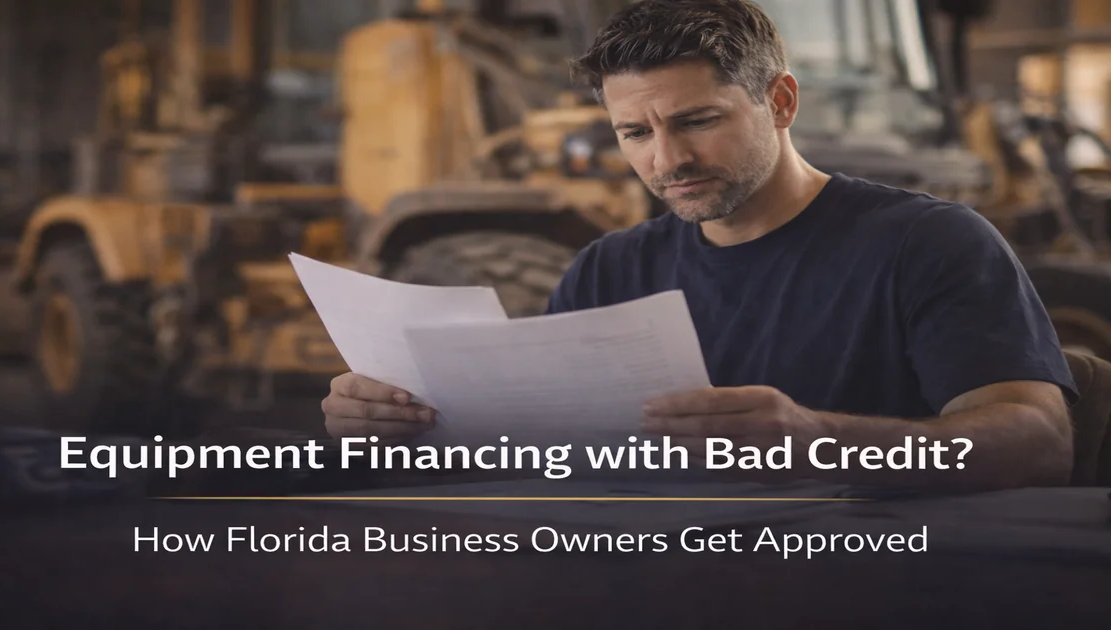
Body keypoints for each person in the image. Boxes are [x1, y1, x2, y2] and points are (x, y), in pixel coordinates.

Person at [321, 0, 1078, 490]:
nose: (666, 160)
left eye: (697, 121)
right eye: (634, 133)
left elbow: (1039, 441)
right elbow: (536, 462)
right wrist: (398, 427)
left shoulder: (929, 242)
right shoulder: (608, 269)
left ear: (780, 101)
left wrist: (818, 438)